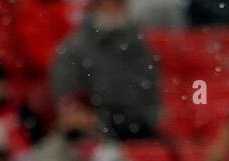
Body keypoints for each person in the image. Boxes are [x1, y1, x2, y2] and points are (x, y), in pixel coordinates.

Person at [50, 0, 162, 141]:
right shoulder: (74, 49)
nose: (116, 9)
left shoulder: (141, 48)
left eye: (120, 4)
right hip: (93, 134)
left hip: (138, 130)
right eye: (111, 3)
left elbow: (151, 101)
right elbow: (69, 102)